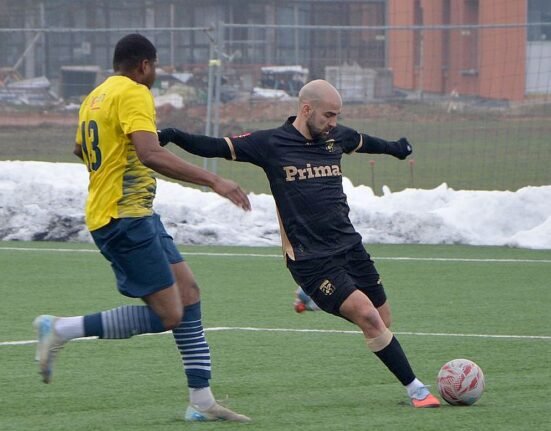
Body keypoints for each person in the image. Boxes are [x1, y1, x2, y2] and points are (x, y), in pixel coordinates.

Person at [157, 79, 441, 408]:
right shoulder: (270, 144)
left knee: (383, 319)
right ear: (306, 109)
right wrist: (174, 135)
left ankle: (313, 299)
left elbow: (365, 142)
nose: (334, 122)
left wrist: (396, 148)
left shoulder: (336, 136)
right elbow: (215, 146)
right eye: (329, 115)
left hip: (350, 246)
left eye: (337, 115)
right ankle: (417, 390)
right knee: (368, 318)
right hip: (310, 259)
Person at [33, 33, 251, 422]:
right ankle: (61, 329)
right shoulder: (134, 92)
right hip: (123, 218)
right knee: (169, 315)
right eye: (156, 67)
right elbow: (151, 154)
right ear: (144, 65)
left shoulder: (95, 96)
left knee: (189, 293)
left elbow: (80, 148)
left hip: (134, 213)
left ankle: (201, 402)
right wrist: (214, 180)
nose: (156, 74)